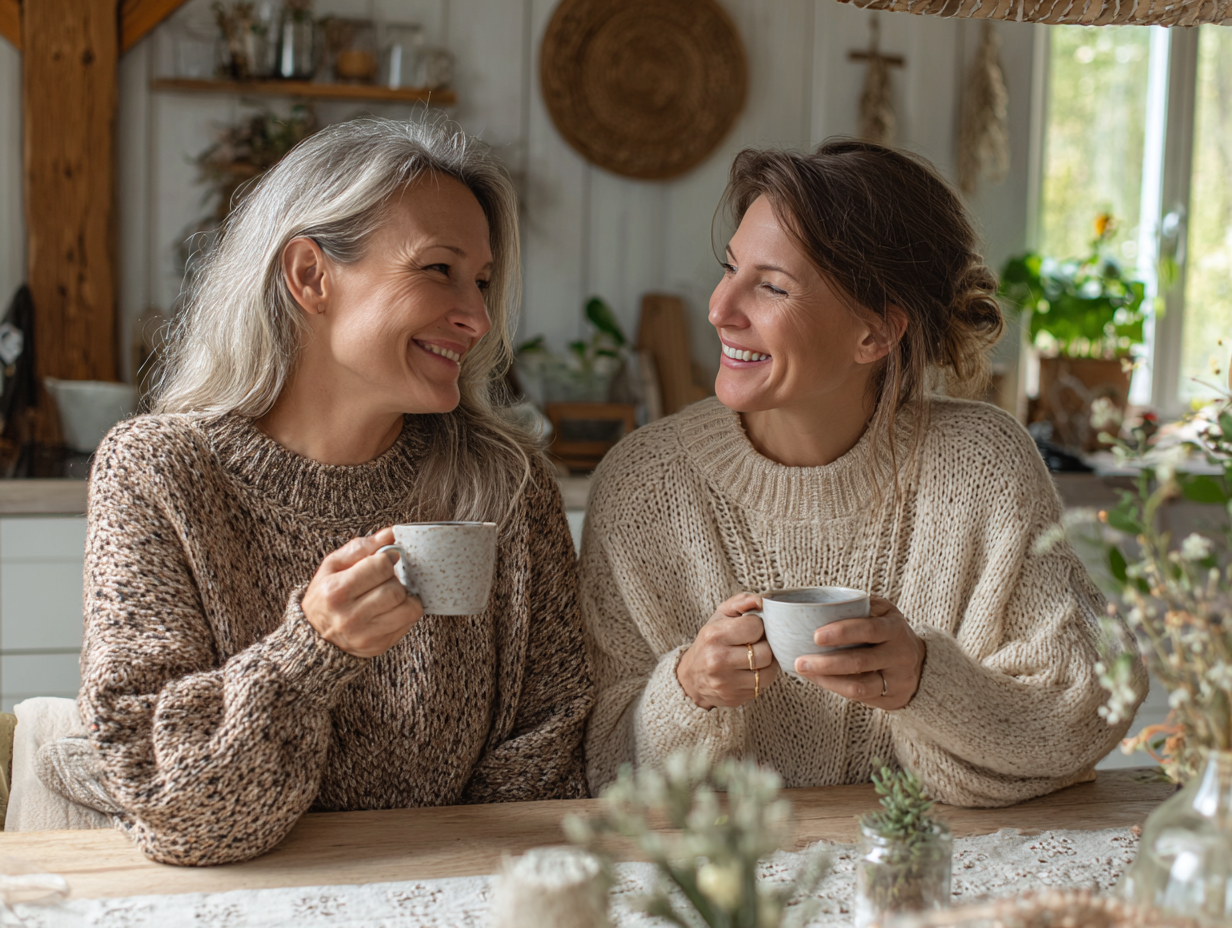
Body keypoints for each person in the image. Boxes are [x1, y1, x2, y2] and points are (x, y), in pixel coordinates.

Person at [41, 118, 593, 865]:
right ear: (310, 276)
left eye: (483, 282)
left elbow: (546, 773)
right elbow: (174, 810)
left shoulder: (506, 483)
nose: (477, 318)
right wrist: (313, 653)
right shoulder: (159, 473)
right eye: (439, 269)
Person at [580, 140, 1143, 806]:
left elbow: (1090, 705)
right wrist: (689, 691)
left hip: (933, 860)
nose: (720, 308)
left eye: (771, 286)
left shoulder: (984, 466)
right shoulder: (641, 484)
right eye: (730, 268)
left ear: (875, 334)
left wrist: (926, 681)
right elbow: (600, 767)